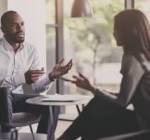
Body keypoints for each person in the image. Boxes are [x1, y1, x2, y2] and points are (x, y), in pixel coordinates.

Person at [57, 9, 150, 140]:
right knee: (96, 108)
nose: (114, 33)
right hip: (142, 120)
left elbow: (122, 102)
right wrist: (92, 88)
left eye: (117, 28)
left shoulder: (134, 59)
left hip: (145, 126)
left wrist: (93, 89)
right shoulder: (143, 56)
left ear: (129, 32)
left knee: (93, 123)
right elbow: (126, 98)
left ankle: (64, 138)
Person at [0, 10, 72, 133]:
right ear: (3, 29)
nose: (20, 28)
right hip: (1, 99)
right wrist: (22, 78)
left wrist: (51, 77)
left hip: (17, 98)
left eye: (22, 24)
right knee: (4, 92)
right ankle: (7, 135)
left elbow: (34, 88)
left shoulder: (31, 50)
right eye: (14, 25)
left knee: (51, 105)